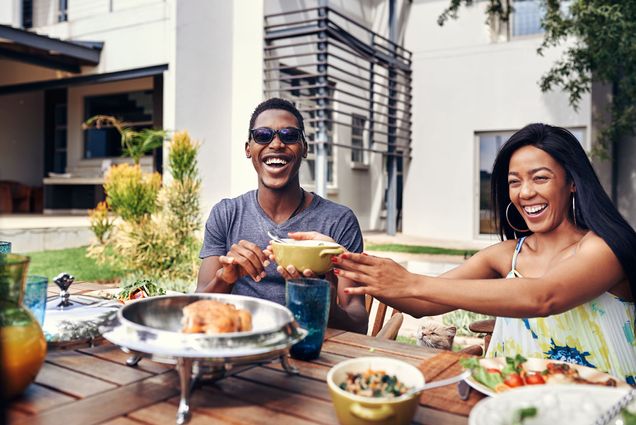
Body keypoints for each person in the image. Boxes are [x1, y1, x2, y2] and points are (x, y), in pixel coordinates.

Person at [331, 123, 636, 383]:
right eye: (514, 182)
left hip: (606, 410)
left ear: (572, 182)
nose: (525, 192)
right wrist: (337, 259)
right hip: (511, 407)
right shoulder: (505, 257)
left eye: (540, 177)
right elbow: (420, 302)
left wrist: (411, 281)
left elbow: (544, 297)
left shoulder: (603, 248)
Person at [197, 97, 368, 333]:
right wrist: (225, 278)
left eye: (289, 135)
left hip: (310, 350)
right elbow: (198, 305)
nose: (276, 144)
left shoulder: (338, 221)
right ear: (249, 149)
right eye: (263, 136)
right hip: (241, 343)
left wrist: (318, 297)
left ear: (304, 148)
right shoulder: (226, 214)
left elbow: (358, 323)